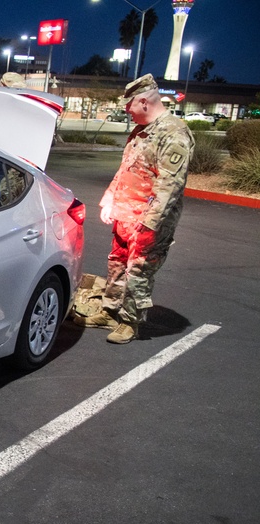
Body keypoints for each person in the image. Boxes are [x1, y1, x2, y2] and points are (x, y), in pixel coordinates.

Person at [73, 73, 195, 344]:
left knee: (138, 271)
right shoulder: (140, 131)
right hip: (125, 213)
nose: (127, 113)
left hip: (148, 220)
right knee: (116, 263)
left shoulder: (174, 133)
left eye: (129, 107)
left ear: (143, 102)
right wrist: (110, 198)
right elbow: (126, 168)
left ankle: (130, 323)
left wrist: (149, 223)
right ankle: (109, 310)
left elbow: (169, 186)